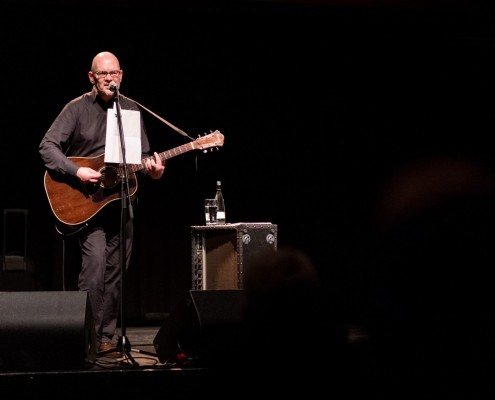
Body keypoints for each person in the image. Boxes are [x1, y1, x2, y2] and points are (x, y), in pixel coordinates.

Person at [39, 51, 165, 358]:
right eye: (103, 74)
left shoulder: (131, 110)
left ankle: (107, 338)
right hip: (88, 204)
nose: (109, 79)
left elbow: (144, 157)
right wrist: (77, 170)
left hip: (121, 202)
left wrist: (155, 171)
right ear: (92, 77)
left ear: (121, 76)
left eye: (114, 74)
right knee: (94, 269)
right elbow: (47, 146)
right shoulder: (77, 108)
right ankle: (86, 338)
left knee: (116, 273)